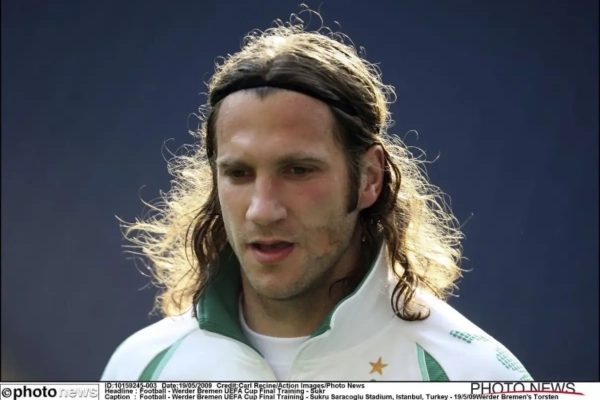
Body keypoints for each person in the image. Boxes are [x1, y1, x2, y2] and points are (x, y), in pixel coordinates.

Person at [101, 9, 531, 381]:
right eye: (238, 173)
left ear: (369, 178)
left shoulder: (470, 374)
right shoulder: (140, 369)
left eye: (298, 170)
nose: (263, 210)